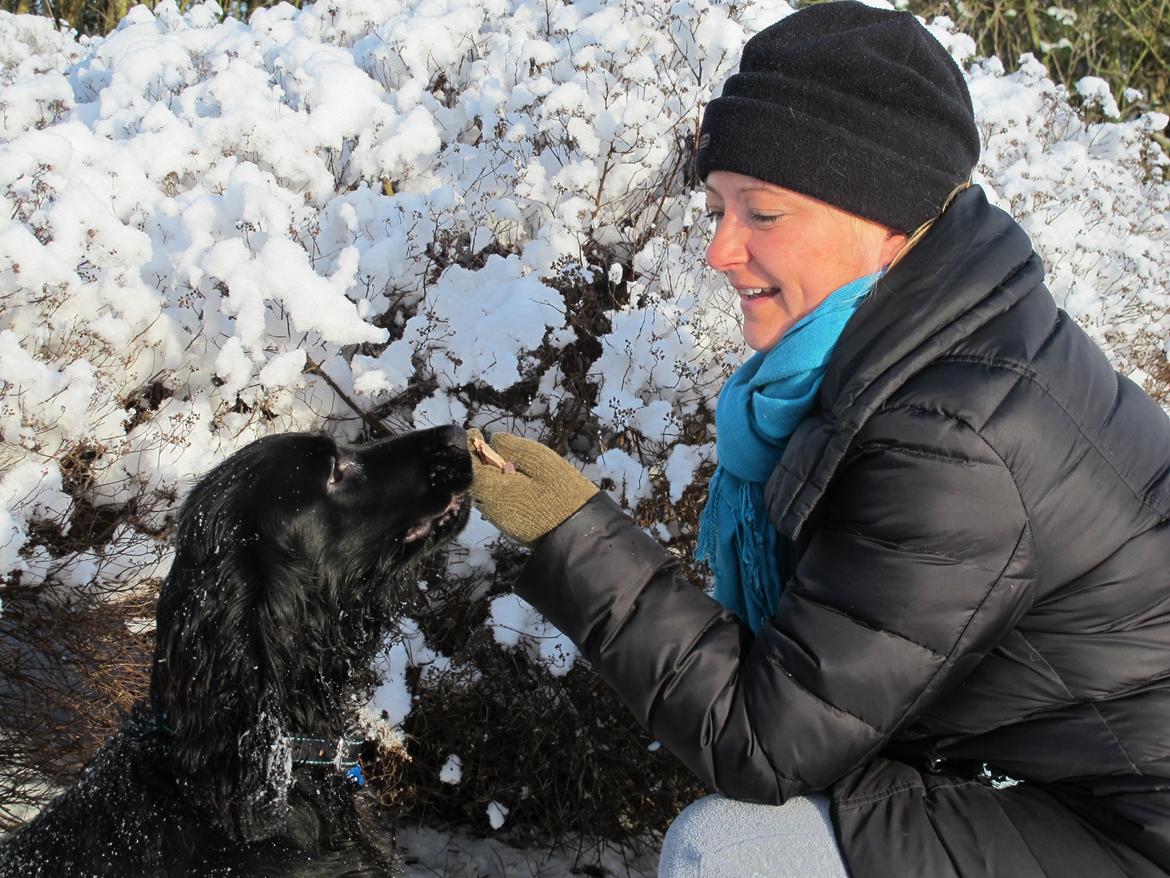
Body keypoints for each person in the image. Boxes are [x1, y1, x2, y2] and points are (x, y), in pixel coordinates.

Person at [468, 3, 1170, 876]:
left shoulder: (954, 437)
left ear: (886, 218)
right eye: (719, 207)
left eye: (762, 213)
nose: (720, 250)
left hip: (1129, 835)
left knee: (733, 852)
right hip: (1053, 784)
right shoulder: (926, 347)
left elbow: (764, 743)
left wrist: (572, 535)